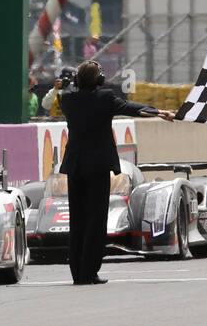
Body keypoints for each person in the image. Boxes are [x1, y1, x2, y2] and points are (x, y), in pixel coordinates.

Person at [55, 61, 175, 285]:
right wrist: (158, 112)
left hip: (76, 166)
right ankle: (89, 272)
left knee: (78, 220)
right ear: (99, 80)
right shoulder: (105, 98)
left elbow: (69, 92)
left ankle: (78, 272)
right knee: (96, 219)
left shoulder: (68, 100)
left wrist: (70, 84)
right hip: (98, 166)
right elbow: (132, 108)